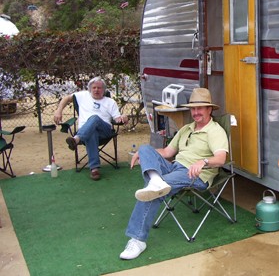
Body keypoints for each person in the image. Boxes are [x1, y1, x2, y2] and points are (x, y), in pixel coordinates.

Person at [119, 87, 228, 260]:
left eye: (200, 108)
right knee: (145, 148)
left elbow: (221, 158)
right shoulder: (186, 129)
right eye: (193, 108)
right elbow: (168, 152)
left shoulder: (215, 131)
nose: (196, 112)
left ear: (209, 109)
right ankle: (157, 181)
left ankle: (138, 239)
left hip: (196, 175)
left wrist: (203, 161)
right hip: (175, 167)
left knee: (152, 193)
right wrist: (146, 154)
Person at [53, 77, 129, 180]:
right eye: (94, 88)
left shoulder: (110, 102)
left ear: (104, 90)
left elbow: (117, 119)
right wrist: (59, 110)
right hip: (87, 132)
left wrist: (123, 117)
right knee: (91, 133)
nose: (96, 90)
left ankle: (76, 139)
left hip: (105, 131)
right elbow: (66, 98)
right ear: (90, 89)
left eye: (99, 88)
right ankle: (94, 169)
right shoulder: (83, 96)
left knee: (94, 118)